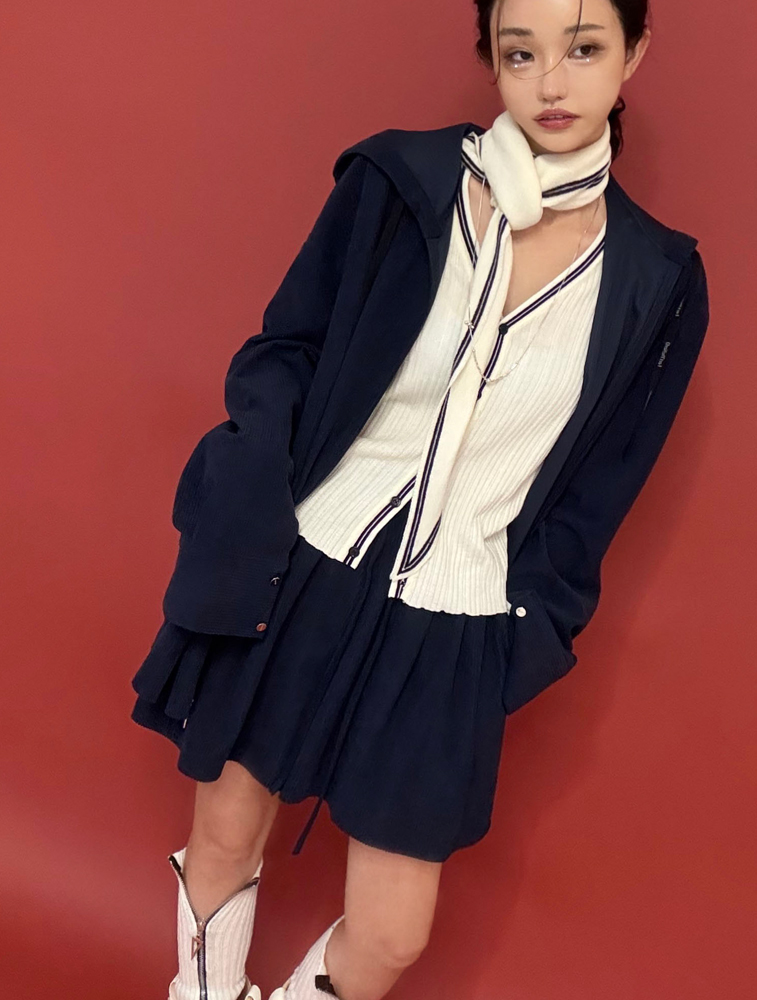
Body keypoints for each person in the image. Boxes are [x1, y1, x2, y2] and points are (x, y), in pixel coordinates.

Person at [129, 0, 710, 998]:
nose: (551, 82)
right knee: (223, 841)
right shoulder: (402, 182)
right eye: (521, 52)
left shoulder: (656, 281)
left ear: (634, 53)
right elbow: (285, 352)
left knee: (392, 933)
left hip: (457, 616)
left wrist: (527, 633)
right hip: (305, 566)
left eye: (583, 49)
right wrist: (253, 513)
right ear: (489, 57)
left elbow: (602, 491)